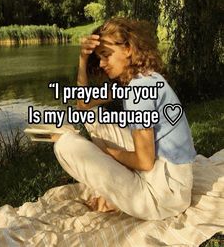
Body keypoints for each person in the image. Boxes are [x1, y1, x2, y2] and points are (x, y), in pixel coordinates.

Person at [53, 17, 197, 220]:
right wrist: (83, 59)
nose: (102, 64)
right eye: (98, 58)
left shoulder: (139, 90)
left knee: (65, 145)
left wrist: (105, 152)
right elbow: (83, 105)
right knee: (92, 117)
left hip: (162, 198)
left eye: (105, 55)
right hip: (171, 182)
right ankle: (111, 192)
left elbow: (145, 162)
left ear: (128, 49)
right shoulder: (143, 78)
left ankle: (112, 194)